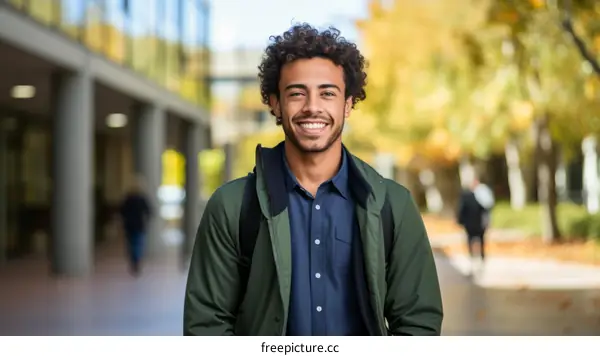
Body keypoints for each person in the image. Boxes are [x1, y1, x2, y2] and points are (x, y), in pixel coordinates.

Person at [183, 23, 443, 336]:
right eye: (296, 93)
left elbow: (418, 322)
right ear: (275, 103)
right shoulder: (232, 207)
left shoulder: (393, 205)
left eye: (328, 93)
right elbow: (206, 326)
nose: (312, 107)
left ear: (347, 104)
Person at [456, 177, 495, 272]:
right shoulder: (481, 196)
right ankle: (479, 259)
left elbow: (461, 209)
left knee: (473, 240)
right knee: (479, 240)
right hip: (476, 223)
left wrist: (460, 221)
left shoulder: (470, 196)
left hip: (472, 223)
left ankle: (475, 259)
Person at [119, 176, 152, 276]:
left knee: (131, 244)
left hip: (129, 225)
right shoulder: (142, 199)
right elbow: (149, 211)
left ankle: (134, 260)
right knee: (138, 243)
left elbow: (122, 212)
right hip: (139, 225)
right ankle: (136, 260)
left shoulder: (127, 199)